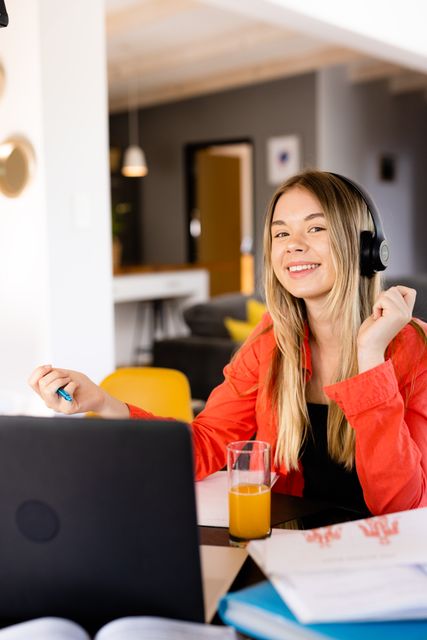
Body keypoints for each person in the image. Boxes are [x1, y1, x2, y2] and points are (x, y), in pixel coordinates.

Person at [29, 170, 427, 516]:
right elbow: (206, 446)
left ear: (366, 247)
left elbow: (403, 509)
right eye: (281, 233)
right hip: (293, 553)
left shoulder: (414, 348)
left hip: (389, 563)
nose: (293, 244)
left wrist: (372, 360)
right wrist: (101, 401)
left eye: (316, 228)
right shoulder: (272, 343)